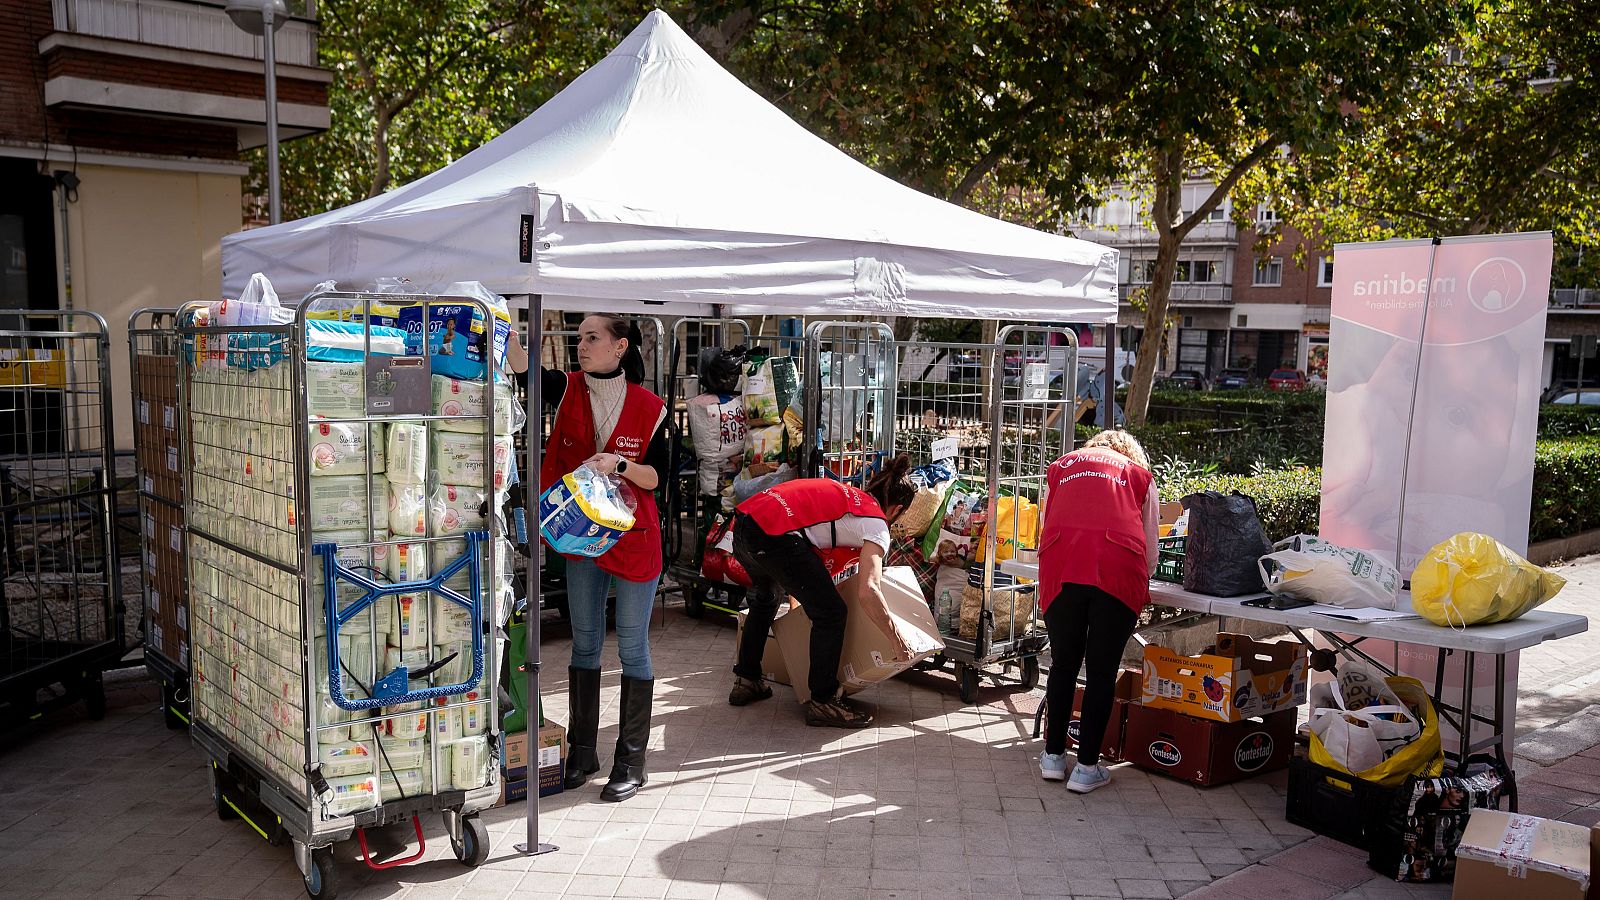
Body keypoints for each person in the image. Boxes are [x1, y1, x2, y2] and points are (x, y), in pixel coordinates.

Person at [509, 314, 667, 803]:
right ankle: (582, 752)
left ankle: (631, 761)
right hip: (580, 538)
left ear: (620, 347)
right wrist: (506, 331)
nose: (582, 345)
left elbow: (656, 478)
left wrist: (618, 464)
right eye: (580, 338)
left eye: (592, 338)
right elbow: (525, 370)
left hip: (635, 537)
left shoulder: (651, 407)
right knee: (585, 643)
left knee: (633, 647)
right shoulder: (569, 388)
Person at [728, 455, 919, 727]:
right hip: (774, 536)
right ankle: (823, 700)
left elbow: (804, 560)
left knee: (766, 598)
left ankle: (747, 678)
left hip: (746, 524)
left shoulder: (849, 498)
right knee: (831, 613)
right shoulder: (875, 523)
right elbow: (868, 590)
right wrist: (896, 639)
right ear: (897, 509)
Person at [1036, 430, 1159, 793]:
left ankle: (1053, 757)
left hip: (1061, 566)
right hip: (1116, 567)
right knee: (1102, 671)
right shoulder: (1138, 475)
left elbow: (1050, 519)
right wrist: (1145, 577)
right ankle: (1087, 767)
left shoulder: (1061, 467)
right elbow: (1149, 541)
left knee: (1063, 664)